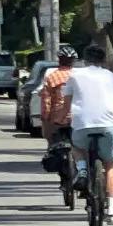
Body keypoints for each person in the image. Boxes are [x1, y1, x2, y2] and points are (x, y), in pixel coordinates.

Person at [62, 50, 113, 222]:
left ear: (85, 60)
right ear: (103, 61)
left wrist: (64, 117)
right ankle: (111, 209)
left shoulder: (74, 75)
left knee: (77, 148)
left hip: (82, 124)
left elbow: (66, 101)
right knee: (110, 165)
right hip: (107, 124)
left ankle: (82, 170)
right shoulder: (111, 76)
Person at [40, 46, 77, 176]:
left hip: (58, 118)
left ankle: (51, 151)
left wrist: (45, 117)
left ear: (59, 60)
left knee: (52, 140)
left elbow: (46, 102)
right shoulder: (79, 76)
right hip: (78, 117)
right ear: (73, 61)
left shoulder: (52, 77)